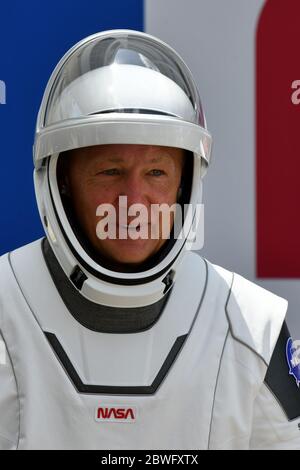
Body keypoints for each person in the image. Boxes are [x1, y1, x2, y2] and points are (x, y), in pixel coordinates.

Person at [0, 29, 299, 451]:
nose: (133, 201)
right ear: (62, 183)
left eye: (157, 172)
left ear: (185, 185)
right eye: (109, 172)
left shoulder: (252, 326)